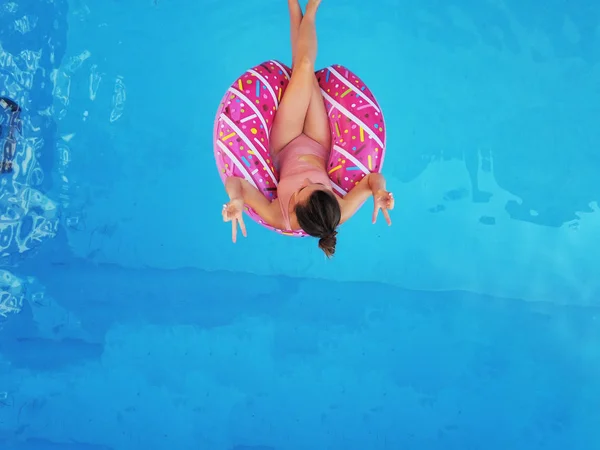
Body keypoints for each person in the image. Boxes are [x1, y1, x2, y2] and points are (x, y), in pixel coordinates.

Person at [222, 0, 394, 257]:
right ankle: (304, 10)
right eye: (317, 185)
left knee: (302, 67)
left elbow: (238, 182)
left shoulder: (281, 217)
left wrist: (237, 200)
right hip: (317, 140)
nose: (305, 179)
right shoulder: (340, 209)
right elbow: (371, 180)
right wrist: (379, 191)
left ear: (294, 210)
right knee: (304, 67)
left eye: (300, 189)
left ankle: (303, 9)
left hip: (285, 143)